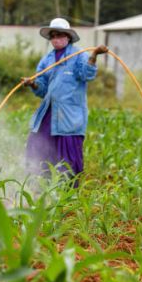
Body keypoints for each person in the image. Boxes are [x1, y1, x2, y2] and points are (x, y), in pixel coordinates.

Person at [22, 17, 108, 186]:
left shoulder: (79, 55)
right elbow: (43, 89)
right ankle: (39, 186)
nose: (56, 39)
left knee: (68, 152)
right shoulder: (46, 60)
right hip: (49, 111)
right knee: (38, 144)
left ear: (68, 37)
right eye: (52, 36)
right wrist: (33, 83)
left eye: (59, 35)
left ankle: (69, 192)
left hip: (69, 114)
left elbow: (87, 75)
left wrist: (94, 55)